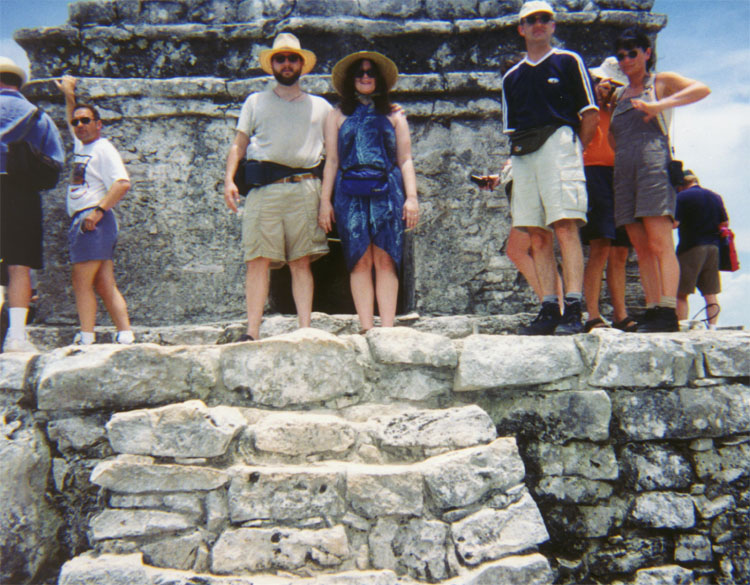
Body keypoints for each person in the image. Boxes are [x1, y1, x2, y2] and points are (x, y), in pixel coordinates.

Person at [488, 0, 598, 335]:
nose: (538, 24)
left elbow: (590, 115)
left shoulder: (568, 61)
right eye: (531, 20)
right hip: (524, 151)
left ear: (552, 25)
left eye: (544, 19)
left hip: (559, 141)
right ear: (521, 28)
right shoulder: (512, 77)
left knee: (565, 224)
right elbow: (512, 129)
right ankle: (550, 307)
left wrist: (573, 150)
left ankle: (574, 307)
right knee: (536, 232)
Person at [224, 33, 331, 341]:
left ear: (301, 64)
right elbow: (239, 144)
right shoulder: (255, 102)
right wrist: (229, 180)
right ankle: (252, 332)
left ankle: (305, 330)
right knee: (257, 260)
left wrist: (326, 200)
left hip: (306, 187)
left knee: (301, 261)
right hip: (264, 190)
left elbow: (333, 157)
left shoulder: (321, 107)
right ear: (272, 64)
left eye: (292, 58)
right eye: (281, 59)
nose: (287, 64)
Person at [609, 28, 710, 332]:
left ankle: (667, 309)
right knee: (640, 246)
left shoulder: (660, 82)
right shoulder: (618, 95)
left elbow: (701, 89)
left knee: (659, 240)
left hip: (653, 165)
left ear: (647, 53)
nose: (627, 60)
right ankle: (654, 308)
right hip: (624, 172)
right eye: (621, 55)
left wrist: (659, 106)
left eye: (632, 53)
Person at [318, 51, 418, 331]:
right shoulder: (336, 115)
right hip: (349, 194)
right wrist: (325, 201)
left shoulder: (394, 115)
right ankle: (366, 328)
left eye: (370, 73)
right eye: (359, 73)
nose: (365, 77)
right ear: (350, 80)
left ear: (379, 79)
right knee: (359, 259)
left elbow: (405, 159)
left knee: (386, 259)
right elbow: (332, 161)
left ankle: (386, 329)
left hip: (387, 192)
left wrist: (411, 198)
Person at [55, 75, 135, 345]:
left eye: (85, 120)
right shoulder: (83, 146)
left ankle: (87, 337)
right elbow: (71, 118)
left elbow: (122, 183)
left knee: (81, 281)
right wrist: (69, 94)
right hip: (89, 219)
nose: (79, 125)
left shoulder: (103, 148)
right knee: (103, 283)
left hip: (93, 220)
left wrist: (97, 212)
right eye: (76, 122)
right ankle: (125, 334)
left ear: (98, 124)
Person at [1, 57, 64, 352]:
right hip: (21, 191)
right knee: (19, 266)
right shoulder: (38, 116)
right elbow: (56, 160)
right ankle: (16, 337)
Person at [580, 57, 637, 333]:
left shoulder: (624, 107)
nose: (609, 88)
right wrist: (595, 94)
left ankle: (620, 313)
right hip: (593, 172)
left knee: (621, 250)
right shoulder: (584, 105)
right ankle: (592, 313)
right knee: (600, 245)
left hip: (621, 174)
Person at [674, 170, 728, 329]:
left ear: (681, 185)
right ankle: (712, 328)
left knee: (681, 292)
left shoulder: (682, 197)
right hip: (713, 247)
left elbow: (675, 223)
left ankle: (682, 325)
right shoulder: (715, 196)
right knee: (710, 293)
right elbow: (724, 223)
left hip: (691, 247)